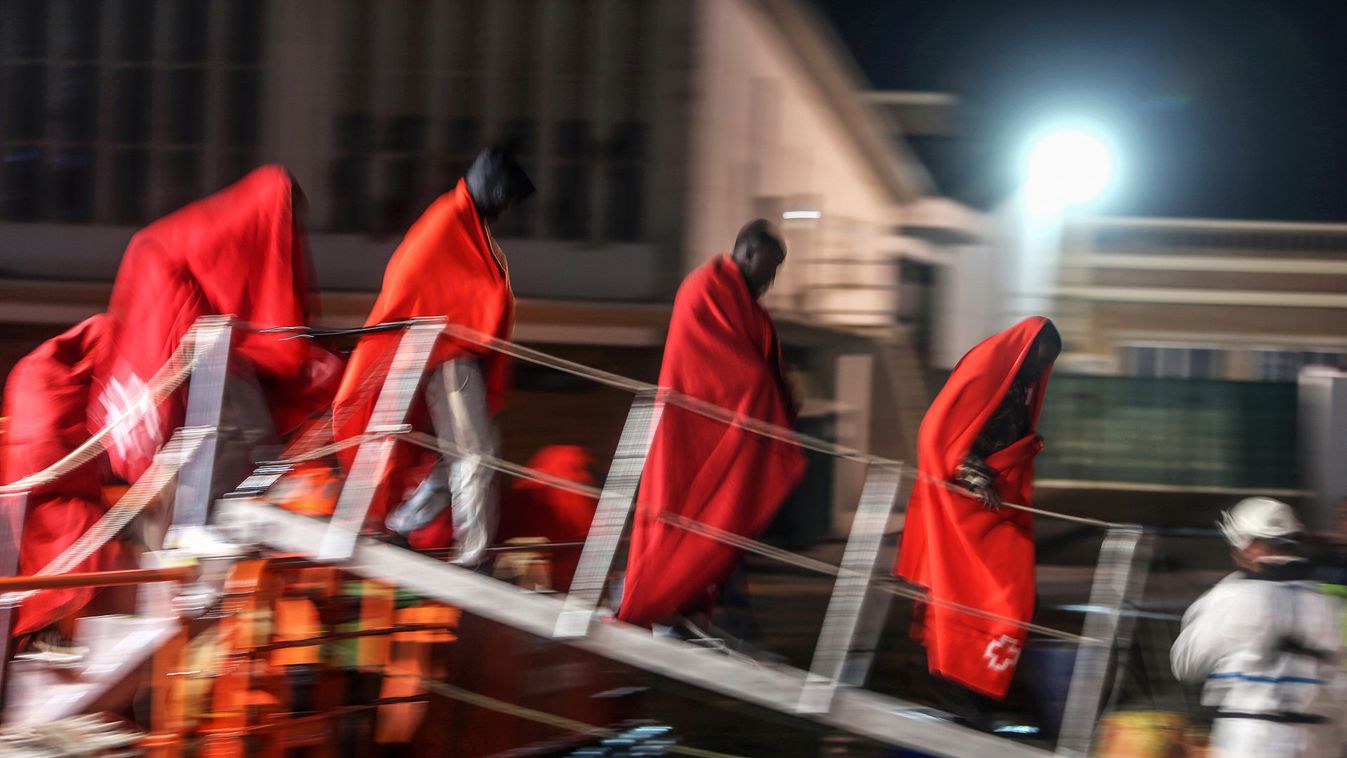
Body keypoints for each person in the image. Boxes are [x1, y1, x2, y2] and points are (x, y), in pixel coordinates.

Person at [331, 147, 534, 566]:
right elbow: (440, 288)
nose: (510, 208)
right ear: (495, 192)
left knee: (470, 451)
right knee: (474, 454)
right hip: (449, 358)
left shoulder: (459, 221)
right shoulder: (451, 223)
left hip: (452, 355)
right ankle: (474, 554)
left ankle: (405, 524)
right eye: (509, 198)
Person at [618, 219, 806, 629]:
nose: (771, 280)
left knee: (724, 521)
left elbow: (762, 364)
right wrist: (767, 396)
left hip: (723, 433)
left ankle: (709, 611)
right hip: (693, 432)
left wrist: (779, 396)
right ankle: (695, 609)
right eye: (769, 269)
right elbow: (733, 371)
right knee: (701, 520)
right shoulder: (705, 289)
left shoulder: (743, 304)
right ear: (749, 254)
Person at [894, 317, 1060, 700]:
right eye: (1039, 360)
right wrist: (974, 475)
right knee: (979, 596)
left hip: (997, 509)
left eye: (1046, 364)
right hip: (969, 509)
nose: (1040, 371)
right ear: (1025, 349)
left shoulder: (1017, 385)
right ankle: (958, 683)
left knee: (1003, 598)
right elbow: (943, 431)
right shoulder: (986, 373)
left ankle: (966, 682)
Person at [1172, 497, 1345, 758]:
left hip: (1251, 739)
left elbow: (1186, 663)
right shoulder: (1326, 601)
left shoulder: (1231, 596)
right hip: (1319, 740)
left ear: (1251, 544)